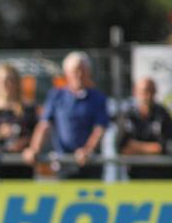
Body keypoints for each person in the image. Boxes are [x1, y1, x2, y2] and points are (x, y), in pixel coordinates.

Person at [22, 52, 109, 180]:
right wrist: (34, 148)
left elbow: (100, 128)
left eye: (82, 70)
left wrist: (87, 150)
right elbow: (44, 125)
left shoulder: (98, 98)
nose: (78, 75)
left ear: (88, 72)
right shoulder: (56, 95)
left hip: (90, 164)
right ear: (67, 73)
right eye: (75, 71)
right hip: (63, 164)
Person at [0, 64, 36, 179]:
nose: (6, 85)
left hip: (22, 169)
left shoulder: (27, 109)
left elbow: (36, 136)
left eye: (10, 80)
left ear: (17, 83)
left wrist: (24, 144)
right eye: (2, 81)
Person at [119, 77, 172, 180]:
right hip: (135, 177)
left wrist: (135, 146)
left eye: (151, 91)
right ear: (135, 92)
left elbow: (162, 148)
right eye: (145, 91)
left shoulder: (163, 115)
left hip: (162, 177)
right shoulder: (128, 115)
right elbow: (122, 147)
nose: (148, 95)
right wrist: (151, 148)